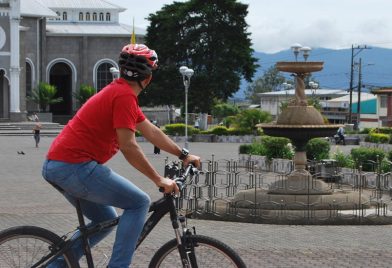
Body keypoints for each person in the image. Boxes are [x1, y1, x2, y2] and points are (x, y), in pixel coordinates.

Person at [42, 43, 201, 267]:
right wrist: (158, 179)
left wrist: (183, 154)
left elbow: (152, 132)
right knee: (138, 203)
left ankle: (57, 265)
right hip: (74, 167)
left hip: (62, 166)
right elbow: (129, 146)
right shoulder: (124, 96)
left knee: (105, 219)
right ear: (148, 79)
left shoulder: (120, 93)